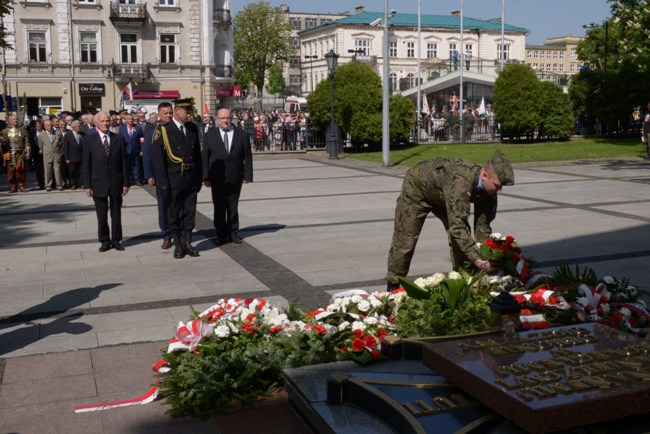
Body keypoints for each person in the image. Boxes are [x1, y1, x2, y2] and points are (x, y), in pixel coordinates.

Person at [385, 150, 515, 290]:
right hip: (417, 190)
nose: (500, 189)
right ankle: (393, 286)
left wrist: (486, 255)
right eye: (497, 185)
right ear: (484, 176)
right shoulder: (459, 181)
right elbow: (457, 226)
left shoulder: (490, 191)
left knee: (460, 240)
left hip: (444, 195)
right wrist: (477, 259)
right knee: (405, 240)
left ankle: (465, 281)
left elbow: (482, 226)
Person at [151, 99, 203, 259]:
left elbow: (197, 156)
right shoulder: (163, 130)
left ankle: (188, 242)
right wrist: (163, 183)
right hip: (173, 180)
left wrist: (199, 178)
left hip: (190, 179)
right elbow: (157, 160)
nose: (189, 115)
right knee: (173, 213)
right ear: (178, 111)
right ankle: (177, 245)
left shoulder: (192, 128)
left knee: (189, 213)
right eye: (187, 112)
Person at [202, 107, 253, 245]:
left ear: (231, 119)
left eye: (228, 118)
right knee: (219, 207)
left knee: (233, 206)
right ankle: (220, 233)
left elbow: (247, 156)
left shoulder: (241, 134)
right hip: (217, 178)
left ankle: (233, 233)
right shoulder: (209, 135)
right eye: (222, 118)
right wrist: (205, 177)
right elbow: (205, 158)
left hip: (235, 177)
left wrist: (248, 174)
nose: (225, 120)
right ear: (217, 119)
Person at [82, 111, 130, 252]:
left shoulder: (118, 139)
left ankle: (116, 240)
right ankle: (104, 240)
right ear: (96, 123)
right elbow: (86, 164)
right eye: (102, 121)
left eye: (107, 121)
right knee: (101, 215)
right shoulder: (89, 140)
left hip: (116, 181)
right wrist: (87, 185)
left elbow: (124, 162)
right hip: (98, 183)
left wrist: (126, 183)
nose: (105, 124)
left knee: (116, 214)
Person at [1, 114, 31, 193]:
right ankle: (13, 185)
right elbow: (2, 143)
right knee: (11, 170)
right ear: (10, 120)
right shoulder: (5, 131)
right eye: (14, 119)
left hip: (20, 153)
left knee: (20, 170)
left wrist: (27, 152)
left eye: (16, 119)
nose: (16, 121)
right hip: (10, 154)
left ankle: (21, 185)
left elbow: (26, 142)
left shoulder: (22, 130)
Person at [119, 113, 144, 185]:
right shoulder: (122, 128)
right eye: (129, 119)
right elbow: (120, 139)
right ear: (126, 120)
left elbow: (142, 139)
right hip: (126, 149)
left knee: (136, 164)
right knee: (126, 165)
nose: (130, 120)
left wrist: (142, 149)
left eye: (132, 119)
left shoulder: (138, 128)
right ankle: (128, 179)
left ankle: (136, 179)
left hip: (136, 149)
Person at [39, 119, 64, 191]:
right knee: (47, 170)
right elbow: (40, 145)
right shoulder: (41, 135)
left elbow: (61, 144)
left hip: (56, 154)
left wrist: (58, 141)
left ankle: (59, 184)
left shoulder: (57, 133)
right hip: (47, 155)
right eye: (48, 125)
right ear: (45, 126)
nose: (50, 127)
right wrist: (42, 151)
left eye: (51, 125)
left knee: (57, 170)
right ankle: (48, 185)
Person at [61, 120, 84, 190]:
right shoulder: (68, 135)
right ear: (74, 127)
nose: (80, 127)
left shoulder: (83, 134)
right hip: (72, 157)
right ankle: (73, 184)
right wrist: (67, 158)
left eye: (80, 126)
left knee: (81, 171)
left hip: (81, 156)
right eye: (79, 126)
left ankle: (81, 183)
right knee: (72, 172)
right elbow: (65, 148)